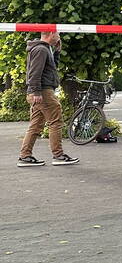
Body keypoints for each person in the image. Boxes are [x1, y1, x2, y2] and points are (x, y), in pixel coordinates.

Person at [18, 32, 78, 167]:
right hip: (43, 92)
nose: (59, 35)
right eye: (57, 33)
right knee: (56, 121)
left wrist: (57, 52)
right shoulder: (41, 49)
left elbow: (51, 70)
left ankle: (25, 156)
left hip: (40, 91)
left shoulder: (45, 49)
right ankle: (58, 155)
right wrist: (36, 92)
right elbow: (34, 72)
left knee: (35, 126)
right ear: (51, 33)